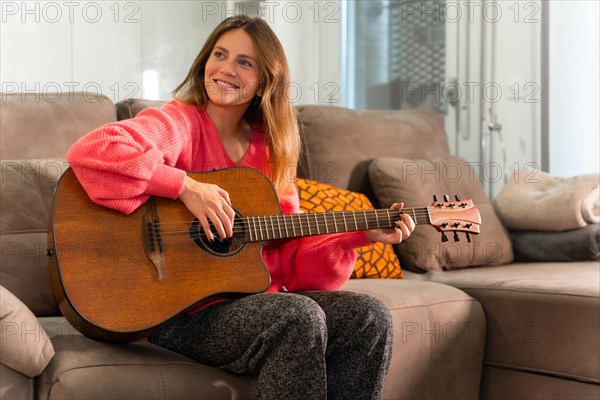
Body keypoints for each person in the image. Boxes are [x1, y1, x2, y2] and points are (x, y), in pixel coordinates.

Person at [67, 15, 415, 400]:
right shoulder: (180, 121)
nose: (226, 69)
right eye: (220, 54)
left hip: (252, 305)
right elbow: (93, 151)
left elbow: (294, 264)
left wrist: (361, 235)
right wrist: (184, 186)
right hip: (177, 313)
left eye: (244, 62)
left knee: (369, 316)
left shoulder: (271, 151)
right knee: (297, 317)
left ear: (265, 80)